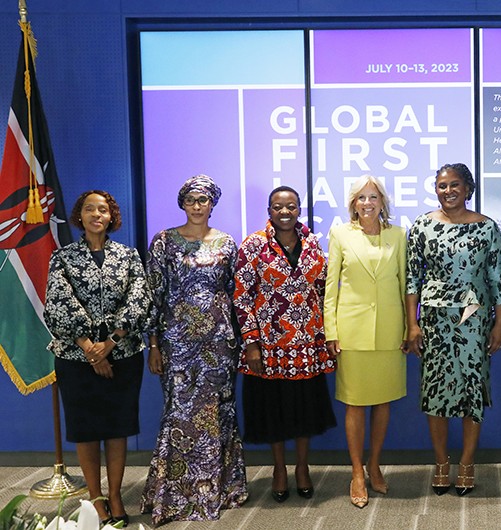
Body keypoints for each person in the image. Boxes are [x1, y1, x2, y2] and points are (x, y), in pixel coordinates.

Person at [140, 175, 248, 525]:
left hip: (219, 344)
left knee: (217, 414)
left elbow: (236, 295)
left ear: (212, 204)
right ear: (182, 203)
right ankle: (174, 497)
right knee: (180, 414)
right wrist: (153, 344)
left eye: (203, 200)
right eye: (191, 200)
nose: (197, 206)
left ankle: (219, 490)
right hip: (177, 344)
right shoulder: (164, 242)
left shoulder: (228, 244)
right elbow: (153, 296)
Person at [44, 190, 150, 526]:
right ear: (80, 216)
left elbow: (140, 300)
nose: (96, 215)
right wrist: (90, 347)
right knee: (87, 430)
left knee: (117, 427)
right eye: (89, 209)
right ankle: (96, 498)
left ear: (111, 216)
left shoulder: (129, 257)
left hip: (123, 355)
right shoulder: (62, 258)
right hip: (76, 358)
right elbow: (58, 303)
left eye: (102, 209)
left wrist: (111, 342)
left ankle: (116, 495)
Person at [405, 162, 501, 497]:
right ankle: (441, 463)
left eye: (454, 185)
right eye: (441, 185)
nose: (447, 191)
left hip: (475, 321)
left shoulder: (487, 228)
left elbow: (496, 279)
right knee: (436, 392)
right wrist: (412, 323)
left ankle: (466, 463)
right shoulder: (421, 226)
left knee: (471, 391)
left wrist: (500, 322)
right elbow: (411, 279)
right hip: (434, 321)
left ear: (467, 187)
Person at [233, 185, 337, 503]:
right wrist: (251, 343)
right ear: (269, 212)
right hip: (268, 346)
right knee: (274, 411)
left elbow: (324, 289)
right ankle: (279, 469)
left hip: (306, 345)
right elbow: (241, 296)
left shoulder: (314, 245)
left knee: (304, 410)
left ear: (299, 210)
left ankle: (302, 468)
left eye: (291, 206)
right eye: (278, 207)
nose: (285, 212)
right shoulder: (253, 245)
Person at [324, 175, 407, 509]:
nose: (368, 203)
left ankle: (375, 465)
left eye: (374, 197)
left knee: (383, 402)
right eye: (361, 198)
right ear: (353, 203)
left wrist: (408, 327)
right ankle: (357, 472)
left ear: (382, 201)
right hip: (352, 331)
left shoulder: (398, 236)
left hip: (390, 331)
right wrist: (331, 330)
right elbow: (332, 286)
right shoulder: (340, 234)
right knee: (355, 404)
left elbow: (404, 284)